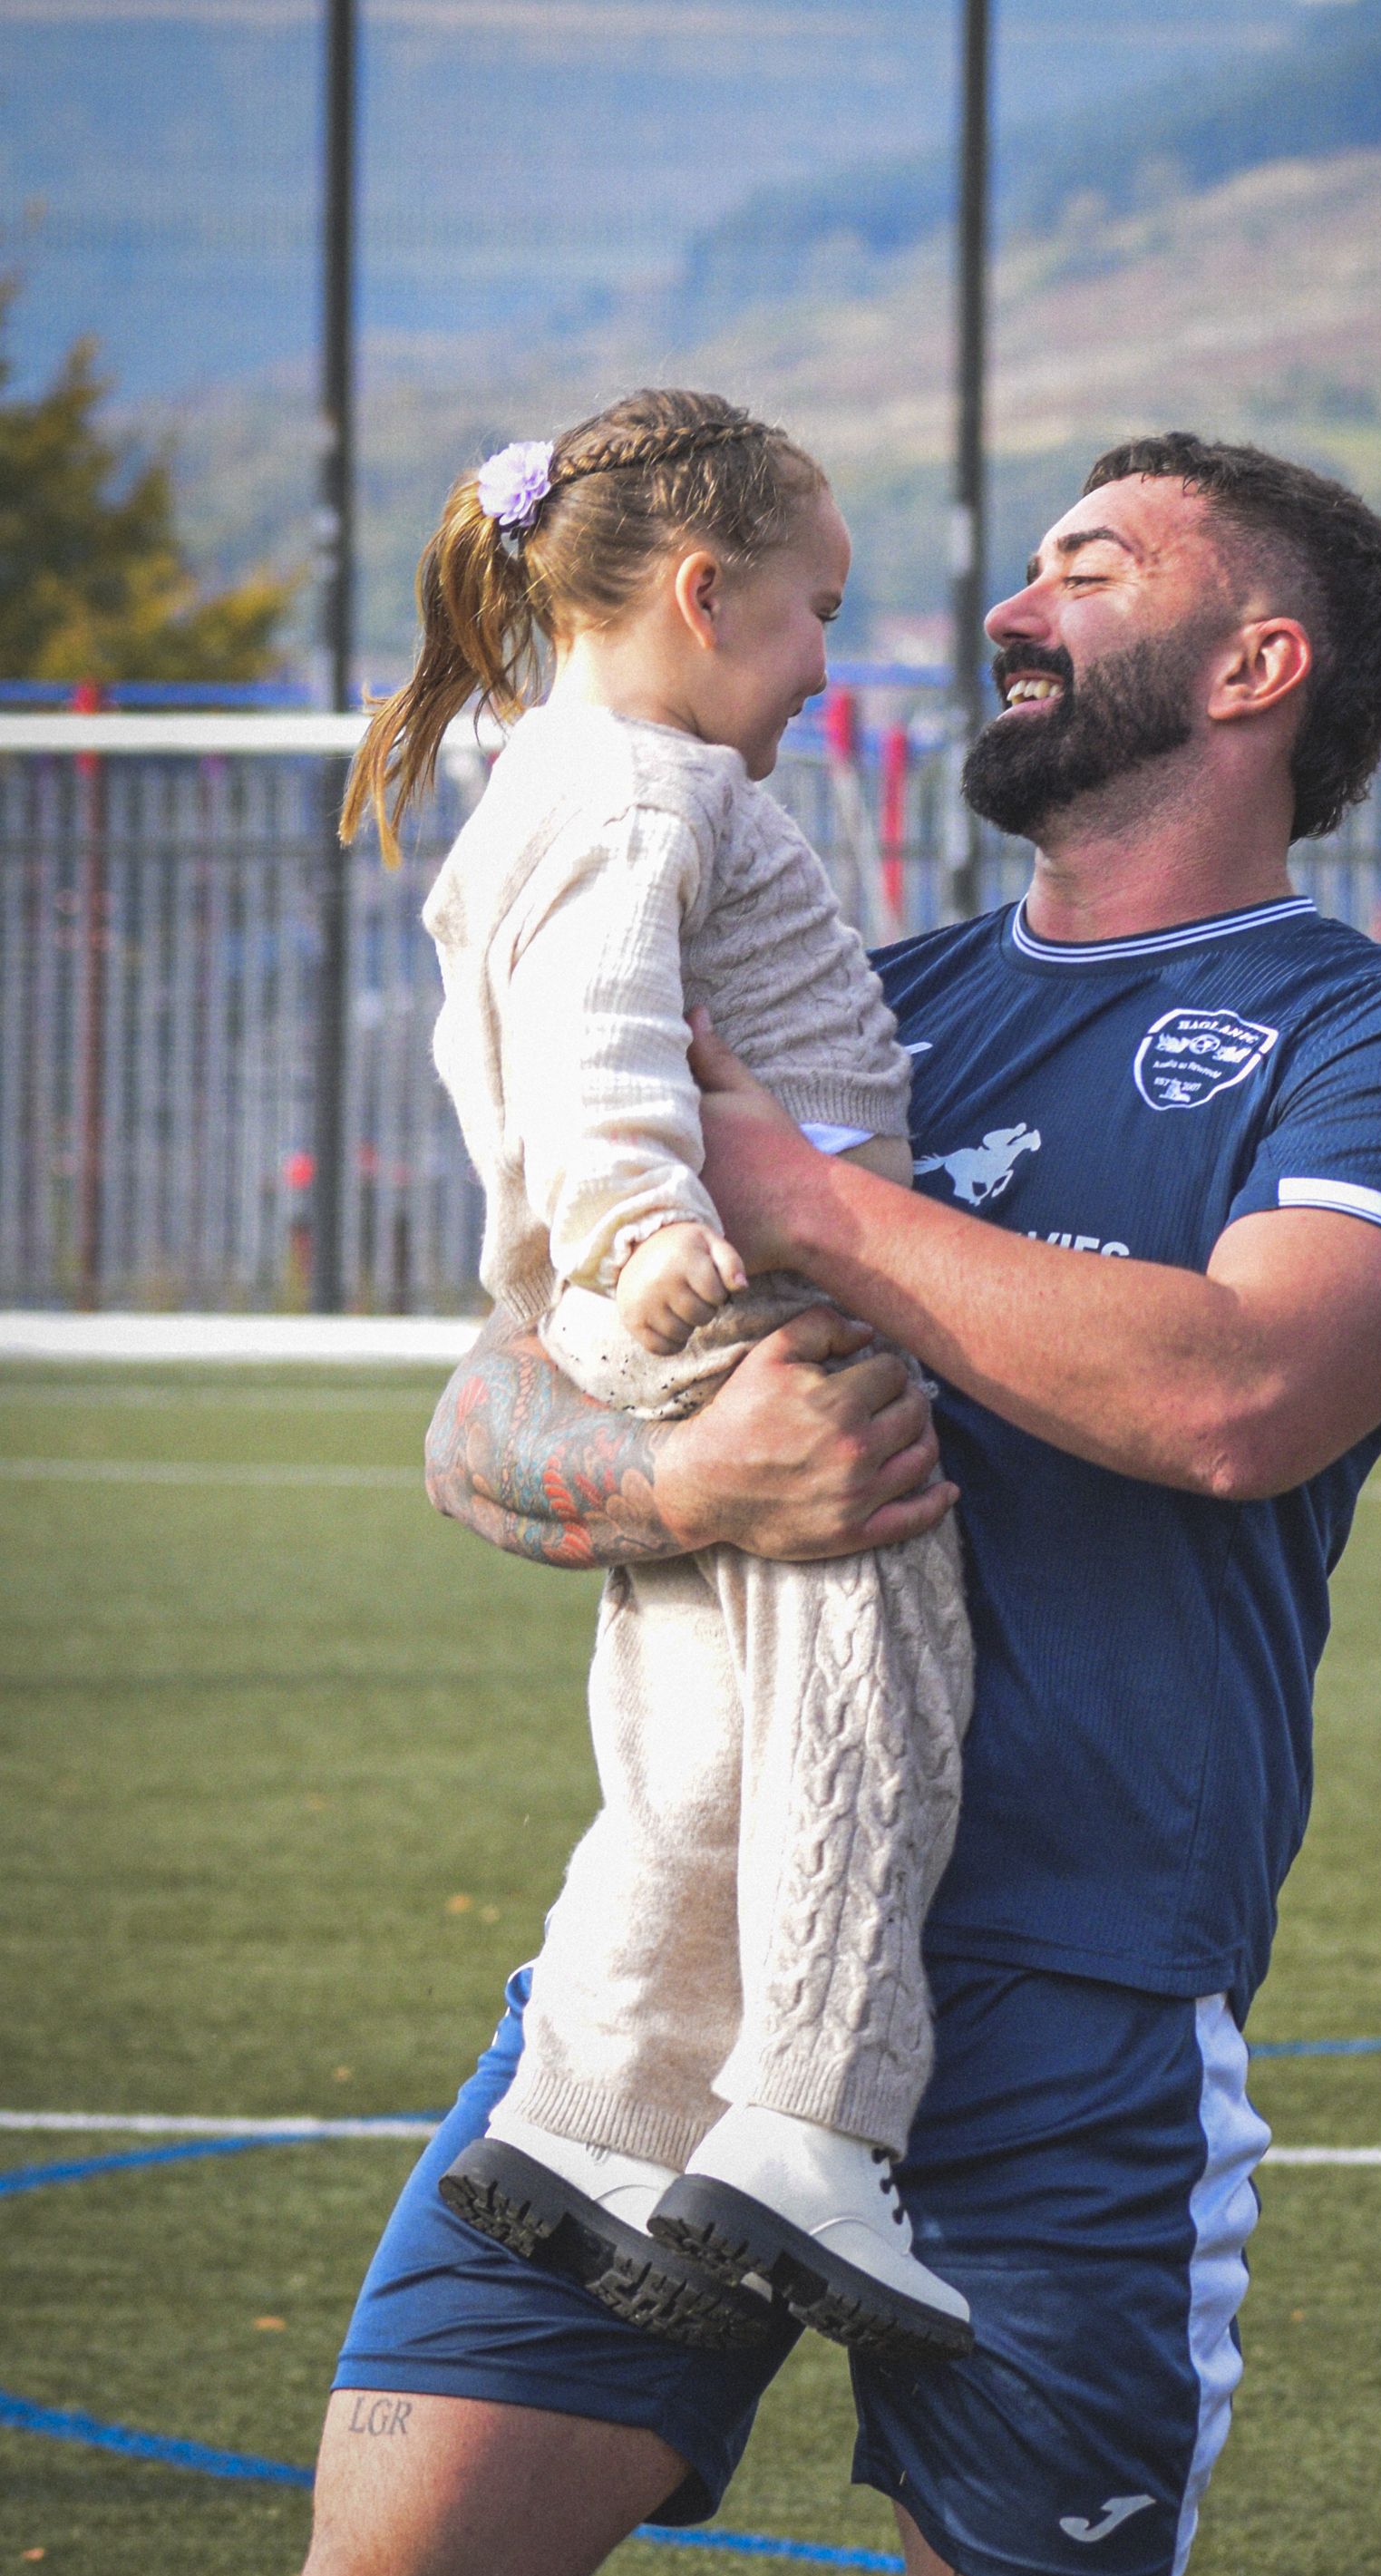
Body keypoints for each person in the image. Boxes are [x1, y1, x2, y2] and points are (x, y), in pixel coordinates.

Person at [297, 433, 1381, 2576]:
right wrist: (691, 1488)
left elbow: (1244, 1393)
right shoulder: (850, 989)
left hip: (1064, 2010)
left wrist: (819, 1204)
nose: (1006, 604)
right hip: (676, 1965)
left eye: (1093, 563)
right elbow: (491, 1413)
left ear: (1259, 665)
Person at [338, 388, 974, 2365]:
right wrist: (636, 1217)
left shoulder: (550, 774)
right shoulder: (638, 792)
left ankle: (591, 2127)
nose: (821, 662)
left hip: (653, 1319)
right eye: (814, 615)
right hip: (743, 1315)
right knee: (874, 1716)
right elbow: (600, 1032)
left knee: (690, 1758)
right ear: (702, 594)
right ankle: (811, 2126)